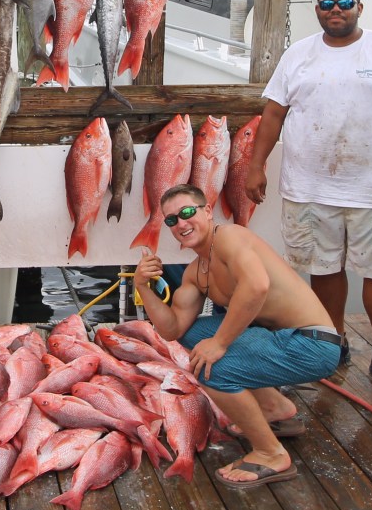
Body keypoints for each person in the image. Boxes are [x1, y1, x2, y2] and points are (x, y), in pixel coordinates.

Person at [245, 0, 372, 396]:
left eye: (345, 2)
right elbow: (274, 113)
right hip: (308, 187)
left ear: (360, 8)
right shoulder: (299, 54)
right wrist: (255, 165)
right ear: (316, 10)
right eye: (327, 4)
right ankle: (335, 344)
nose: (336, 10)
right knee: (324, 269)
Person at [134, 184, 340, 489]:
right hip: (281, 339)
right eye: (171, 220)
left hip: (314, 345)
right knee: (193, 333)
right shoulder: (196, 270)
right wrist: (142, 286)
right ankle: (275, 408)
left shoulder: (229, 237)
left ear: (206, 211)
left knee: (212, 368)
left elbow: (257, 286)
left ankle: (271, 454)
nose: (181, 223)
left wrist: (219, 344)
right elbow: (172, 329)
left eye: (187, 212)